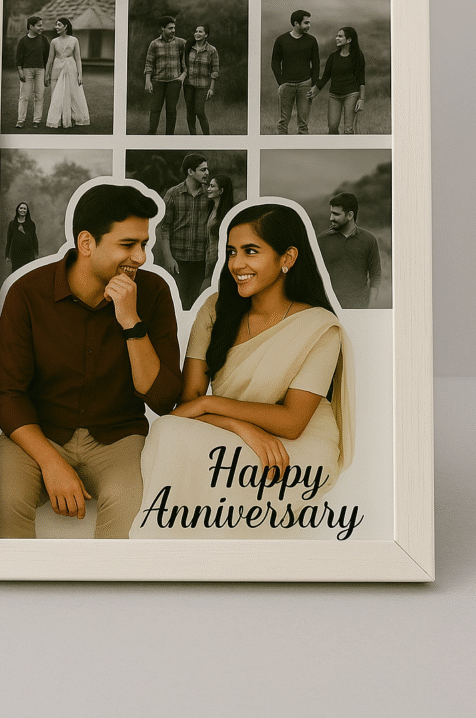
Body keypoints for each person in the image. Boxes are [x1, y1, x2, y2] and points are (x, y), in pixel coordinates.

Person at [130, 203, 355, 539]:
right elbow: (188, 405)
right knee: (168, 431)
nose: (236, 264)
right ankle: (169, 558)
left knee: (176, 437)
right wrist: (239, 426)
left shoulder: (320, 327)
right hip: (234, 433)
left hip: (295, 449)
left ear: (287, 258)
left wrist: (210, 403)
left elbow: (292, 422)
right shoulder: (215, 309)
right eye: (232, 252)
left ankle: (194, 558)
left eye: (251, 251)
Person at [0, 183, 182, 539]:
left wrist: (131, 321)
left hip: (118, 438)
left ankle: (108, 581)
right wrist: (52, 463)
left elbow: (162, 398)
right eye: (128, 245)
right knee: (2, 499)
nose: (141, 257)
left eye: (144, 244)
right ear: (86, 243)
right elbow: (7, 394)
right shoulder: (28, 293)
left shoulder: (153, 292)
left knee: (133, 510)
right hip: (39, 434)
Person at [161, 154, 210, 310]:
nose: (207, 173)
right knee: (177, 301)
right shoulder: (173, 194)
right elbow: (164, 228)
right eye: (203, 170)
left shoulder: (209, 195)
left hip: (201, 260)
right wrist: (168, 258)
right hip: (178, 260)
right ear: (190, 171)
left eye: (207, 169)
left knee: (195, 302)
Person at [318, 193, 381, 308]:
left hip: (360, 307)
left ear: (350, 215)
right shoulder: (322, 240)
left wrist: (371, 306)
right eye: (331, 213)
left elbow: (375, 275)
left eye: (336, 214)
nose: (331, 218)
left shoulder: (369, 239)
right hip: (330, 308)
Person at [308, 27, 366, 134]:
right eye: (336, 36)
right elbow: (325, 77)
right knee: (332, 128)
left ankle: (349, 145)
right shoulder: (333, 56)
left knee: (348, 129)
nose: (337, 38)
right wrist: (315, 89)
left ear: (349, 40)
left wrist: (361, 99)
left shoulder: (357, 56)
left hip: (351, 94)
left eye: (340, 36)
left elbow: (361, 79)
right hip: (334, 96)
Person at [271, 9, 320, 135]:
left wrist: (314, 85)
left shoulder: (311, 41)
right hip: (286, 85)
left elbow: (316, 64)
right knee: (282, 123)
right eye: (306, 23)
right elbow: (275, 62)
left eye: (309, 23)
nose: (309, 26)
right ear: (296, 23)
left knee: (303, 125)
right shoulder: (281, 40)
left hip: (305, 85)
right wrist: (281, 83)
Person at [45, 16, 90, 129]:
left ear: (65, 27)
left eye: (59, 25)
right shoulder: (54, 41)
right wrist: (46, 74)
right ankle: (58, 119)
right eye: (56, 25)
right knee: (55, 93)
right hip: (57, 67)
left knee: (71, 93)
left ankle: (71, 117)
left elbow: (78, 58)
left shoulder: (74, 40)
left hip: (70, 68)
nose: (56, 27)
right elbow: (50, 59)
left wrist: (80, 75)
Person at [144, 16, 186, 135]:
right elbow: (149, 63)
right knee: (155, 109)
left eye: (174, 28)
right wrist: (148, 81)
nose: (173, 30)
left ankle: (169, 136)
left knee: (171, 110)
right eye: (170, 28)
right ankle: (151, 134)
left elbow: (188, 61)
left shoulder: (181, 43)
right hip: (157, 81)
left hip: (174, 82)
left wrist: (182, 76)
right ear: (162, 28)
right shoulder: (154, 44)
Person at [183, 24, 219, 135]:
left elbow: (215, 70)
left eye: (200, 31)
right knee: (190, 112)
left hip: (203, 86)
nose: (197, 33)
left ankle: (206, 137)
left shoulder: (211, 50)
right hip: (188, 84)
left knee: (199, 111)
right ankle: (193, 137)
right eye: (196, 31)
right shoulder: (189, 48)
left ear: (206, 35)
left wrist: (211, 89)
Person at [15, 15, 50, 129]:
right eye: (39, 26)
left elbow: (47, 58)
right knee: (24, 96)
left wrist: (47, 74)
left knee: (39, 96)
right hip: (26, 71)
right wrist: (20, 71)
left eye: (41, 25)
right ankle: (20, 120)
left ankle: (36, 121)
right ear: (31, 26)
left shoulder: (44, 39)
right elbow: (18, 58)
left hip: (40, 71)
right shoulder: (23, 41)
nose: (41, 28)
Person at [203, 173, 235, 285]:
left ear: (221, 191)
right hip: (207, 261)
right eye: (209, 185)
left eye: (212, 186)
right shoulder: (210, 209)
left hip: (220, 263)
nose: (208, 189)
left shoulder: (229, 214)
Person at [5, 202, 39, 275]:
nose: (22, 210)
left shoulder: (31, 224)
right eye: (21, 208)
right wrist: (7, 255)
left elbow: (34, 239)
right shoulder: (12, 224)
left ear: (27, 211)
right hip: (16, 254)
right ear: (17, 210)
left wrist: (36, 253)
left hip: (28, 255)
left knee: (28, 274)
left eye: (24, 209)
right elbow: (9, 240)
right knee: (16, 274)